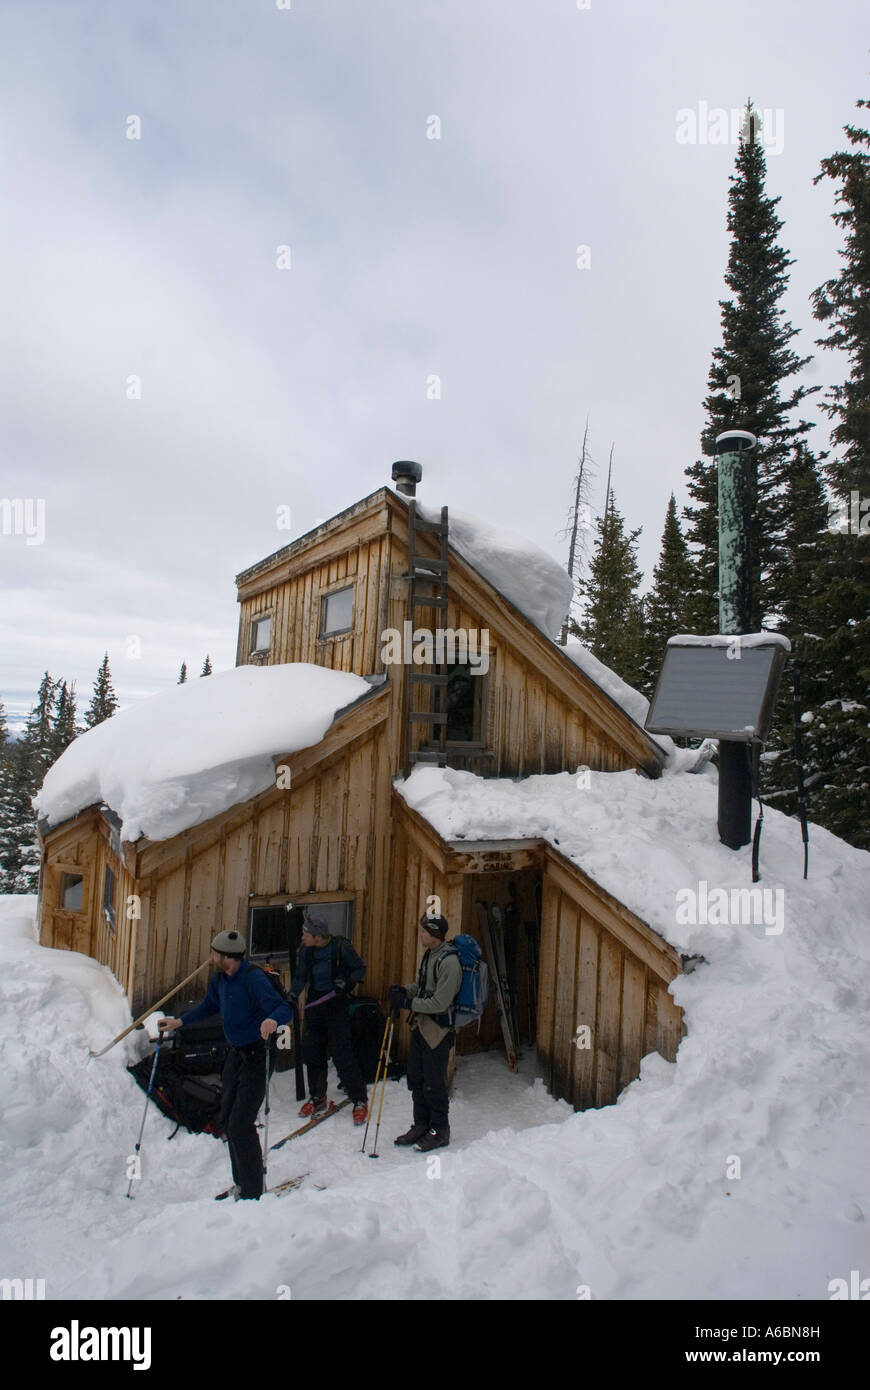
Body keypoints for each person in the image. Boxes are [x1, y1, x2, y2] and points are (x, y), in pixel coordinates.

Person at [159, 929, 293, 1200]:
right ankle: (241, 1184)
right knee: (228, 1120)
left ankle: (254, 1191)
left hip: (256, 1055)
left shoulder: (253, 979)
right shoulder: (220, 979)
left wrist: (272, 1021)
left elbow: (283, 1008)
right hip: (234, 1055)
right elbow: (210, 1006)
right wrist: (180, 1022)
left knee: (241, 1123)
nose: (210, 957)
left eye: (214, 954)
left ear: (227, 957)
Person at [389, 912, 462, 1153]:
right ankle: (421, 1124)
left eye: (424, 931)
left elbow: (440, 1002)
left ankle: (440, 1130)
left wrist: (408, 1004)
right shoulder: (431, 955)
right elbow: (423, 987)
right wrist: (404, 991)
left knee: (433, 1082)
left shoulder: (449, 962)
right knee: (417, 1079)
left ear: (435, 935)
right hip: (421, 1026)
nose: (420, 935)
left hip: (438, 1031)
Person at [288, 915, 369, 1125]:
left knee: (342, 1054)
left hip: (336, 1002)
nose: (302, 937)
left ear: (317, 936)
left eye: (306, 934)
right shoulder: (306, 950)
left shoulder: (340, 947)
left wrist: (347, 983)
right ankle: (317, 1096)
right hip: (316, 1002)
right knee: (313, 1052)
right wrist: (293, 994)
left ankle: (359, 1098)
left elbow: (360, 969)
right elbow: (301, 977)